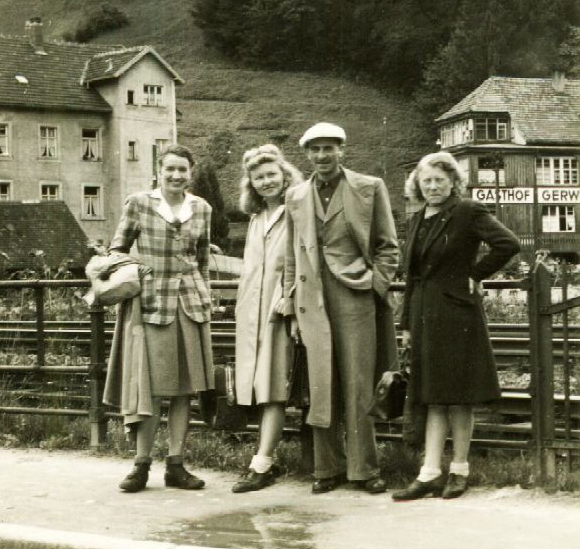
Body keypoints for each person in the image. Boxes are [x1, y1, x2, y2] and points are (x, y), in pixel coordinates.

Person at [392, 151, 522, 501]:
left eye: (439, 180)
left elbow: (507, 243)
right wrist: (406, 323)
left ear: (453, 182)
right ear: (417, 184)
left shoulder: (466, 211)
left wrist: (475, 274)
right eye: (427, 181)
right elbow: (413, 276)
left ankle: (460, 469)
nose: (433, 186)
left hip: (456, 314)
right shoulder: (418, 218)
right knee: (433, 397)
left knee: (459, 397)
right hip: (423, 314)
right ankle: (430, 472)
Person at [282, 122, 400, 495]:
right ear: (307, 154)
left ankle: (364, 470)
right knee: (321, 386)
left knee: (358, 383)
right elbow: (291, 256)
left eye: (329, 148)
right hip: (311, 299)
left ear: (342, 150)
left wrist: (373, 283)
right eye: (315, 150)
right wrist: (291, 307)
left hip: (355, 297)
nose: (322, 156)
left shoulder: (369, 187)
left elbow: (388, 246)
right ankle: (326, 469)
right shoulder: (296, 197)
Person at [103, 144, 216, 492]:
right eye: (170, 169)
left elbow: (202, 259)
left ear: (190, 173)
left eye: (183, 170)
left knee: (184, 389)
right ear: (159, 170)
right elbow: (116, 250)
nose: (176, 176)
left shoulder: (202, 208)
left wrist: (206, 297)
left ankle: (176, 465)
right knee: (149, 388)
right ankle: (140, 465)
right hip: (150, 304)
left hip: (190, 305)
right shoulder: (139, 203)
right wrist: (137, 275)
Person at [229, 144, 304, 493]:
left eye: (272, 174)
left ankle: (263, 463)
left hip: (280, 311)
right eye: (258, 177)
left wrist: (289, 299)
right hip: (252, 314)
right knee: (259, 385)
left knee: (273, 386)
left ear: (285, 175)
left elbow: (302, 265)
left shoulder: (297, 212)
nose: (266, 182)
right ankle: (264, 458)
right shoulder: (256, 219)